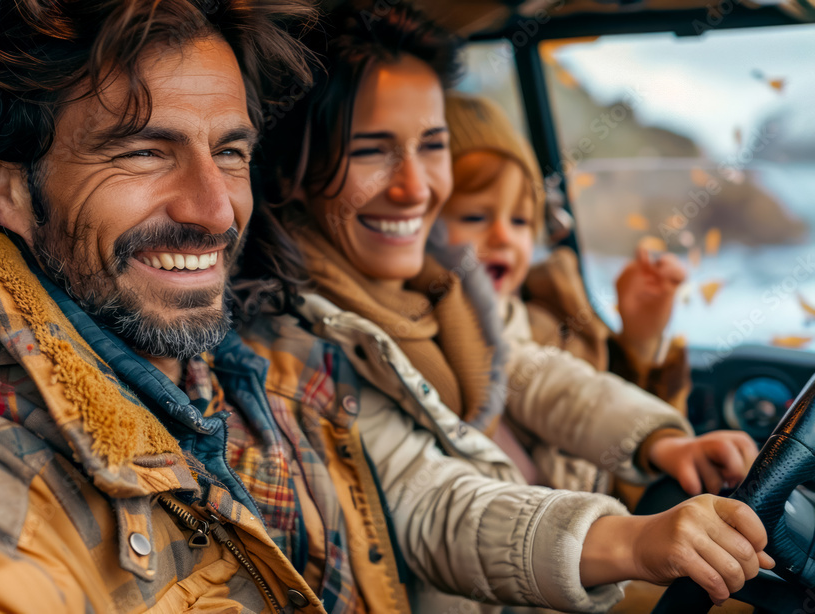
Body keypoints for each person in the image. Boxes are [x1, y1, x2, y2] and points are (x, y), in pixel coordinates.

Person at [233, 2, 772, 612]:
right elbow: (432, 508)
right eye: (371, 150)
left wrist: (660, 440)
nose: (416, 187)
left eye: (431, 145)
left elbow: (542, 377)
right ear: (292, 171)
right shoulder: (286, 342)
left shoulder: (449, 290)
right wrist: (631, 540)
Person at [0, 0, 324, 611]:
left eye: (229, 153)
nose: (215, 210)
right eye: (143, 153)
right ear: (5, 185)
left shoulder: (224, 346)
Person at [440, 94, 754, 501]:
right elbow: (558, 392)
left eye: (520, 220)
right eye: (474, 217)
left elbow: (584, 399)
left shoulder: (543, 317)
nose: (503, 237)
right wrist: (659, 441)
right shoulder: (471, 333)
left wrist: (642, 343)